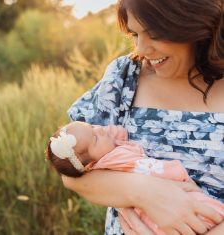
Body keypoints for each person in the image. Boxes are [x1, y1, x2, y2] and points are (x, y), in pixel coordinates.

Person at [62, 0, 224, 234]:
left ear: (194, 22)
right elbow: (72, 172)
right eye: (134, 34)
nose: (142, 49)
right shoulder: (124, 76)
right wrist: (144, 192)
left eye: (155, 33)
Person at [45, 121, 224, 234]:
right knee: (207, 212)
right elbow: (149, 170)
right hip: (157, 212)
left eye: (92, 126)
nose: (100, 129)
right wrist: (178, 175)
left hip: (154, 216)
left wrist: (102, 136)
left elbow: (120, 133)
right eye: (95, 139)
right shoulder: (114, 160)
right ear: (89, 166)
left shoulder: (106, 152)